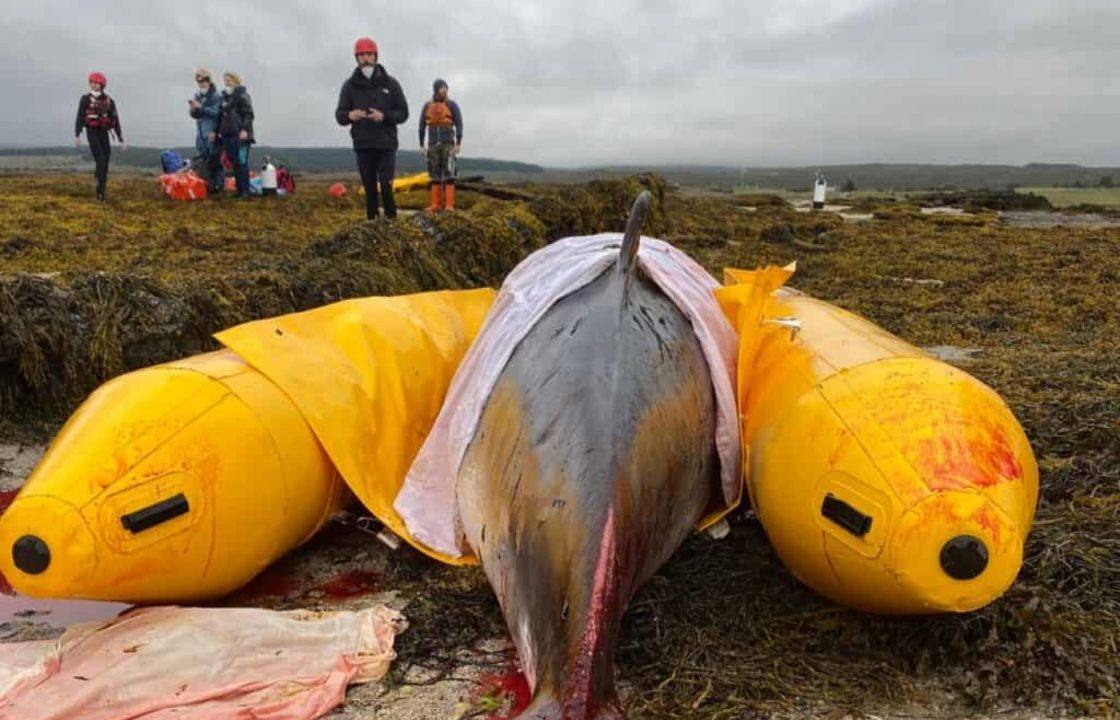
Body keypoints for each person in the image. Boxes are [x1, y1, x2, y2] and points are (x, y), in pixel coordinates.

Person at [334, 37, 408, 220]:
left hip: (386, 144)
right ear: (357, 58)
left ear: (375, 57)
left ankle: (392, 221)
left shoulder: (391, 84)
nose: (366, 59)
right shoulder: (349, 86)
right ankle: (372, 222)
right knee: (369, 188)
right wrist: (349, 116)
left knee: (385, 185)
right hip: (363, 144)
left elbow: (403, 112)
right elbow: (339, 115)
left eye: (369, 54)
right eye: (362, 55)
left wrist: (384, 116)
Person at [74, 72, 125, 201]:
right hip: (92, 131)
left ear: (102, 85)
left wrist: (120, 138)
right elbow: (80, 116)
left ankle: (101, 183)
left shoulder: (109, 101)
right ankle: (100, 191)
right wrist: (77, 134)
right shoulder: (85, 99)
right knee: (101, 159)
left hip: (103, 132)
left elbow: (115, 119)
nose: (93, 84)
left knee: (105, 160)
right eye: (91, 82)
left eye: (96, 82)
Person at [418, 79, 463, 212]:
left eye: (445, 88)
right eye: (442, 88)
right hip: (432, 145)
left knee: (450, 174)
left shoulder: (452, 105)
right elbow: (422, 125)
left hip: (448, 145)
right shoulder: (427, 106)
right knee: (435, 175)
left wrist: (458, 143)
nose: (444, 90)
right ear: (436, 89)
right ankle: (435, 204)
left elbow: (459, 123)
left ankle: (449, 205)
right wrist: (421, 144)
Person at [218, 71, 255, 198]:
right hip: (228, 135)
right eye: (225, 80)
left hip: (241, 135)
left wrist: (244, 129)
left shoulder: (243, 95)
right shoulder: (224, 99)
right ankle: (239, 190)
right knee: (234, 162)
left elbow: (248, 114)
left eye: (229, 80)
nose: (227, 83)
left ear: (236, 81)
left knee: (241, 162)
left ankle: (245, 191)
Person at [188, 68, 223, 192]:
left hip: (212, 131)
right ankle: (208, 185)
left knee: (215, 159)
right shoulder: (198, 95)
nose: (201, 83)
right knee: (203, 158)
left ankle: (219, 186)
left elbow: (217, 113)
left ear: (208, 80)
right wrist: (193, 110)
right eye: (199, 81)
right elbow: (197, 114)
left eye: (203, 80)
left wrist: (201, 107)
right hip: (200, 131)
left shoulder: (217, 95)